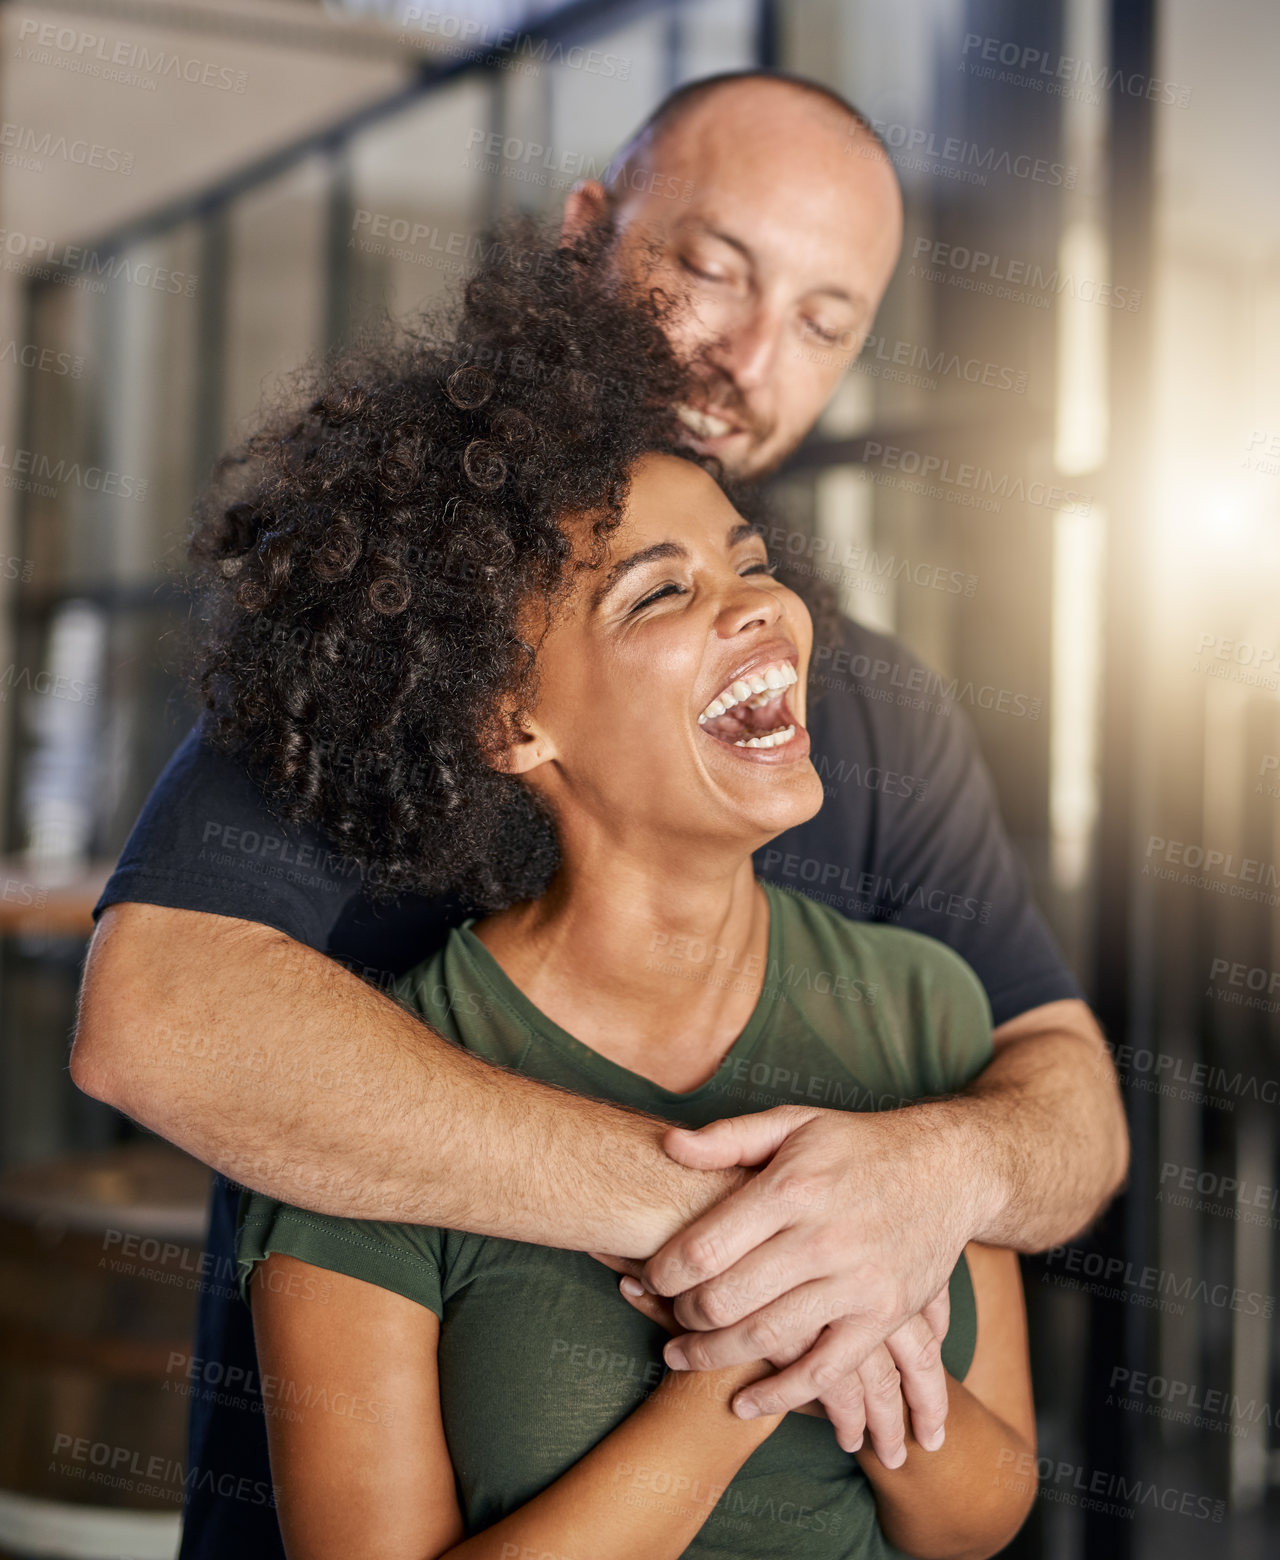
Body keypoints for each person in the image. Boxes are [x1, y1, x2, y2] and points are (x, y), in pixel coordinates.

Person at [69, 70, 1125, 1558]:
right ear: (587, 233)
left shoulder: (874, 712)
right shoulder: (395, 647)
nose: (753, 357)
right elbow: (155, 1018)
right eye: (711, 267)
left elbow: (1064, 1107)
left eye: (825, 321)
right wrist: (741, 1244)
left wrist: (933, 1175)